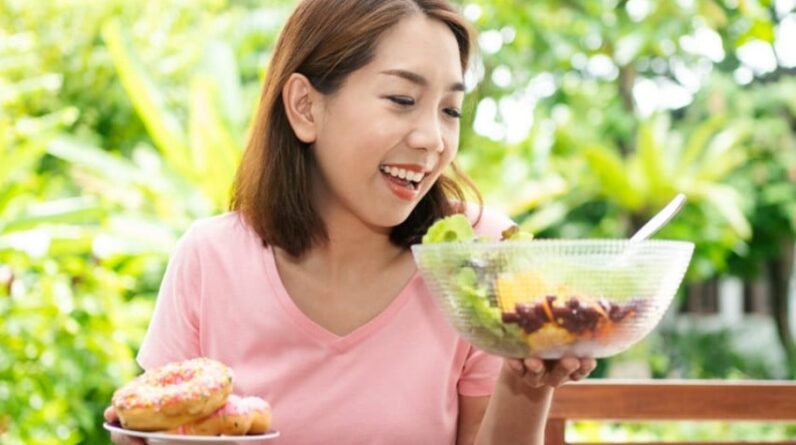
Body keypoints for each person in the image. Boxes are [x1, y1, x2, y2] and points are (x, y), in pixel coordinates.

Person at [104, 0, 596, 443]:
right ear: (305, 107)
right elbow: (162, 428)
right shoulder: (210, 259)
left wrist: (526, 381)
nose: (433, 138)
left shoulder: (481, 257)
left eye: (451, 110)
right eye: (402, 99)